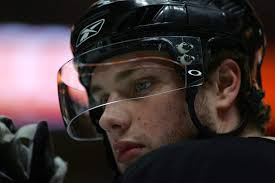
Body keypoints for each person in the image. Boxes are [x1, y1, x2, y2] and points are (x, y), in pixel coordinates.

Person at [57, 0, 275, 182]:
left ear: (223, 84)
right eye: (102, 99)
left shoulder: (165, 170)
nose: (107, 119)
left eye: (142, 84)